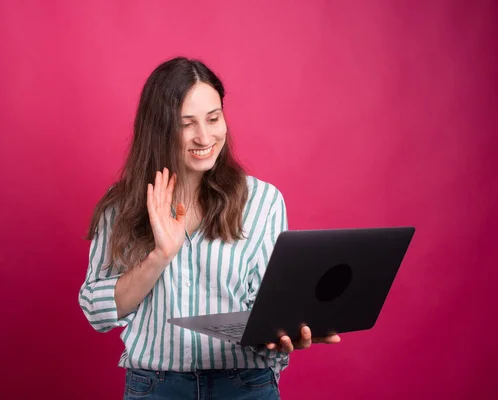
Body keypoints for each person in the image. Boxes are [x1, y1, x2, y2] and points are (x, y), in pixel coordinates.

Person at [78, 57, 341, 399]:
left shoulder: (262, 201)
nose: (205, 136)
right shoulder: (122, 206)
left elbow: (266, 307)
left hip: (245, 386)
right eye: (187, 124)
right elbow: (96, 311)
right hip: (155, 388)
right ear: (159, 128)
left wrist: (287, 331)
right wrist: (160, 256)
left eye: (213, 118)